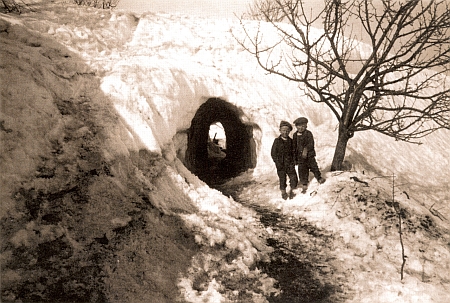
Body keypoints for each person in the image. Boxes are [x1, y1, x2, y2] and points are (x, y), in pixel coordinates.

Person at [293, 117, 326, 193]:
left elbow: (311, 143)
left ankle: (319, 177)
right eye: (299, 126)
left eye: (303, 126)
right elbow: (294, 146)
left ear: (306, 126)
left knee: (314, 166)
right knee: (302, 169)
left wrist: (306, 149)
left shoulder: (308, 134)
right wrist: (295, 157)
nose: (301, 128)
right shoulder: (295, 135)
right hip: (300, 157)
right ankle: (304, 183)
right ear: (296, 126)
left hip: (309, 155)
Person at [271, 121, 298, 200]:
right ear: (280, 130)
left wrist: (294, 161)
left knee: (294, 178)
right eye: (283, 130)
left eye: (287, 131)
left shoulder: (291, 141)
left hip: (289, 164)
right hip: (280, 164)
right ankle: (283, 192)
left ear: (289, 131)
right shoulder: (277, 141)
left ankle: (292, 190)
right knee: (282, 179)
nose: (285, 132)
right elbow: (273, 153)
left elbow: (294, 152)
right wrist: (277, 162)